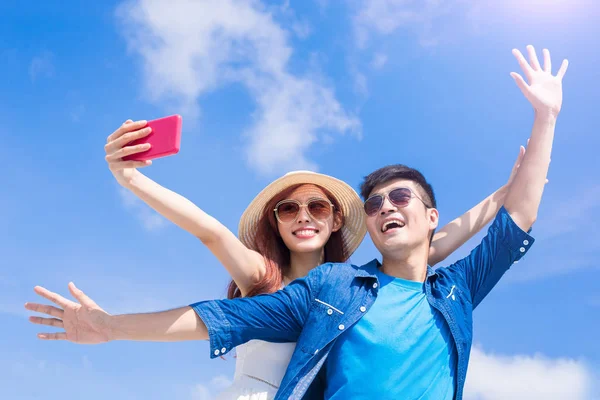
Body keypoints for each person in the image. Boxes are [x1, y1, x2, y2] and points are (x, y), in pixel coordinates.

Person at [25, 45, 566, 399]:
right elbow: (219, 313)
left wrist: (543, 123)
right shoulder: (330, 290)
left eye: (399, 199)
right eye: (373, 205)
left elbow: (497, 224)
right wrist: (113, 325)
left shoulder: (453, 290)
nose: (384, 209)